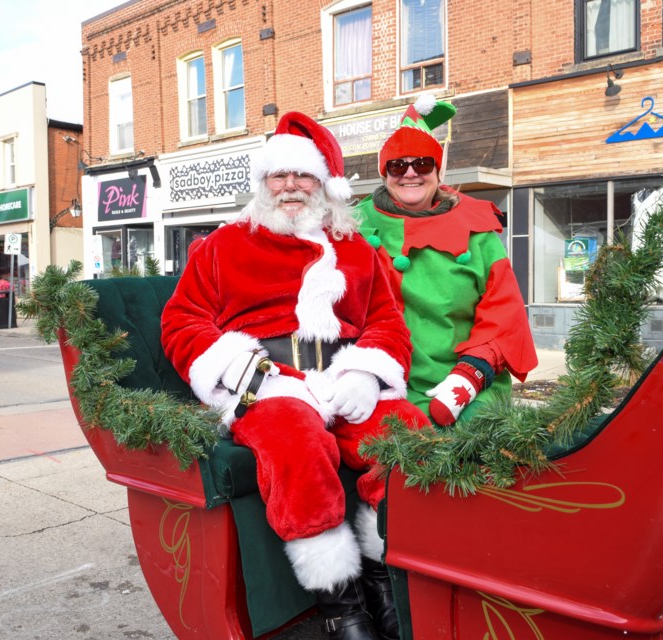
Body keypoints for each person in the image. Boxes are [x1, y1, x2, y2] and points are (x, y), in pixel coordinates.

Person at [161, 111, 427, 640]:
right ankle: (340, 603)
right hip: (270, 384)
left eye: (301, 175)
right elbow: (182, 321)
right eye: (277, 175)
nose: (289, 186)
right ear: (262, 183)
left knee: (408, 435)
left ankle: (382, 576)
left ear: (323, 183)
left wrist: (367, 377)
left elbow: (387, 323)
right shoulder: (222, 246)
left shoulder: (356, 250)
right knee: (294, 438)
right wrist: (251, 375)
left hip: (344, 377)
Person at [356, 95, 538, 427]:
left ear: (439, 172)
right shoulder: (354, 226)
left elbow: (504, 309)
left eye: (423, 164)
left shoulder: (476, 226)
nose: (410, 174)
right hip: (387, 385)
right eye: (398, 165)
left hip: (469, 385)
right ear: (385, 174)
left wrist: (470, 376)